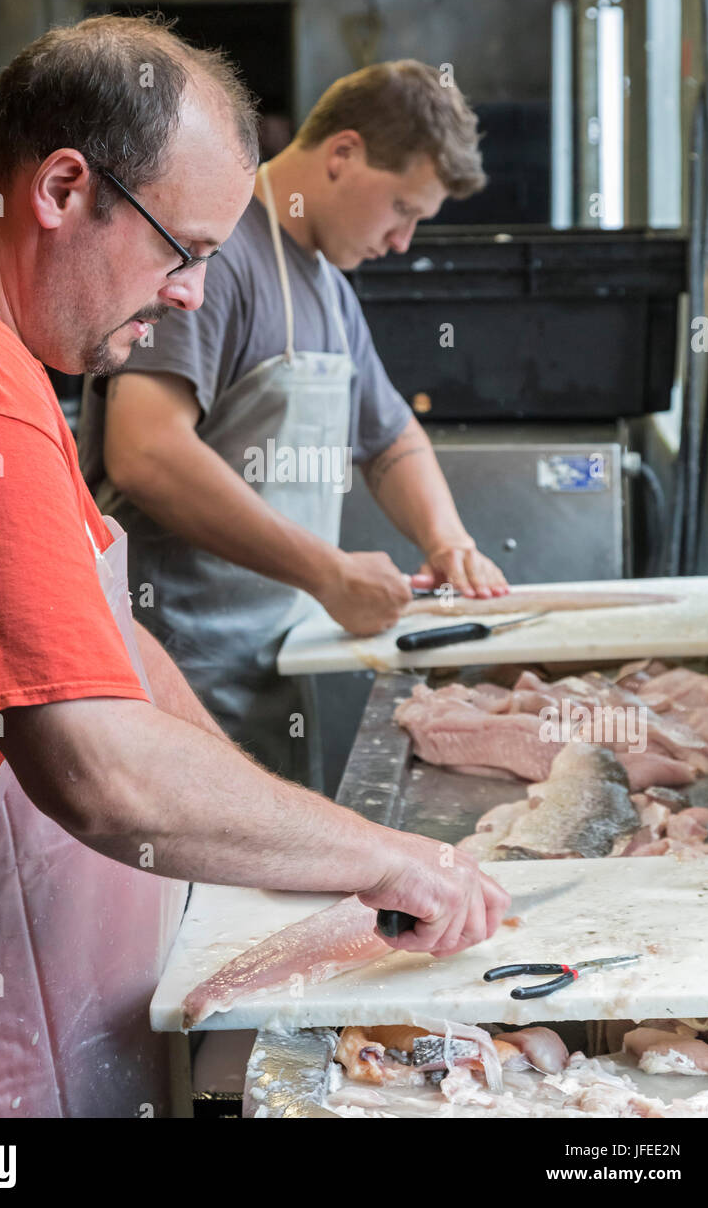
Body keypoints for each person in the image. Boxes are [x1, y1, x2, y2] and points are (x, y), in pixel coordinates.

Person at [0, 17, 508, 1117]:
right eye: (186, 250)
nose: (192, 298)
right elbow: (101, 770)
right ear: (63, 189)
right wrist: (378, 858)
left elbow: (114, 637)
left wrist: (276, 846)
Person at [79, 61, 508, 781]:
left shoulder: (330, 289)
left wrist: (450, 542)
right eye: (402, 209)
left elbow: (391, 437)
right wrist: (328, 573)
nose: (403, 242)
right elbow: (145, 452)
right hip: (169, 678)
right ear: (342, 155)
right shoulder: (219, 252)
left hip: (269, 670)